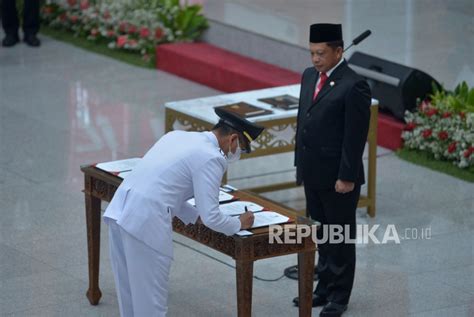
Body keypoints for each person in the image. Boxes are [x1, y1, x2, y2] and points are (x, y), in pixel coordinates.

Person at [103, 108, 264, 317]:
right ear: (233, 139)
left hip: (120, 213)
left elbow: (165, 188)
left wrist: (194, 215)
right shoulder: (212, 157)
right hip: (145, 224)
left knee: (130, 298)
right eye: (240, 147)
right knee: (151, 305)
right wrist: (239, 223)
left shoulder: (177, 136)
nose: (236, 153)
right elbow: (212, 217)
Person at [293, 23, 371, 317]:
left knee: (339, 236)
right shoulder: (309, 75)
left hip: (339, 177)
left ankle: (339, 296)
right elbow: (304, 121)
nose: (315, 59)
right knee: (322, 234)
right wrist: (300, 165)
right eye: (312, 52)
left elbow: (355, 137)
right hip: (312, 172)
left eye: (321, 53)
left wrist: (347, 177)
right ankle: (322, 288)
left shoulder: (354, 85)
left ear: (339, 51)